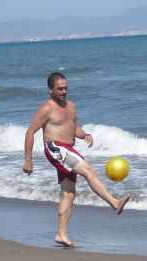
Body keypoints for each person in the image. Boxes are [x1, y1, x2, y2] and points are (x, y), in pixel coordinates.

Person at [23, 72, 130, 247]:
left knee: (69, 193)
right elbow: (30, 132)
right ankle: (114, 203)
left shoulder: (71, 106)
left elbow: (73, 128)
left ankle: (61, 234)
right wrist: (28, 160)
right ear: (50, 90)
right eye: (60, 89)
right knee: (89, 171)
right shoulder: (46, 108)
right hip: (56, 148)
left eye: (65, 88)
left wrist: (85, 134)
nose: (64, 92)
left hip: (68, 150)